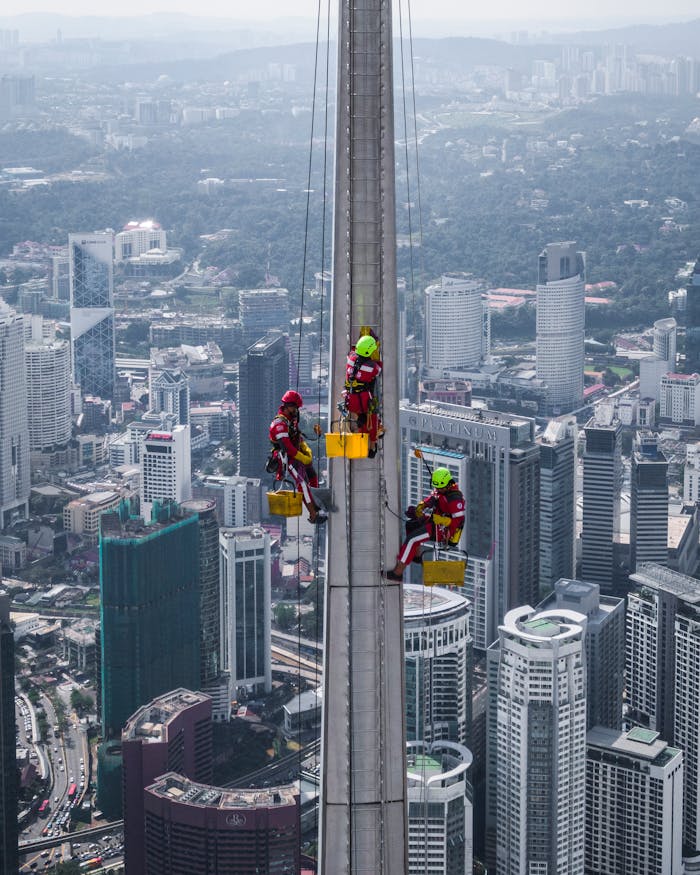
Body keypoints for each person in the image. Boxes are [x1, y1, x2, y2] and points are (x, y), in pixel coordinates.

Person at [385, 467, 465, 580]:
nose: (438, 489)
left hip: (444, 531)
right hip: (435, 522)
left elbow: (458, 521)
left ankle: (398, 572)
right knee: (411, 524)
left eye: (440, 487)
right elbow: (434, 497)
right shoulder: (443, 490)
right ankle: (416, 556)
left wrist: (444, 521)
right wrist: (423, 505)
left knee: (412, 539)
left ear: (447, 485)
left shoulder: (455, 499)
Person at [269, 390, 327, 525]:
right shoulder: (279, 424)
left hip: (296, 453)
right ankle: (313, 514)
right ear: (287, 406)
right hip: (287, 458)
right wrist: (301, 456)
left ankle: (316, 501)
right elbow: (287, 447)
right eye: (295, 407)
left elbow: (296, 436)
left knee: (312, 474)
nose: (297, 410)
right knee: (301, 483)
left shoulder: (291, 419)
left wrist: (304, 447)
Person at [343, 333, 383, 457]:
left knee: (358, 418)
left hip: (350, 400)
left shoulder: (351, 358)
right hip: (363, 401)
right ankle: (372, 447)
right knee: (373, 418)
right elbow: (379, 370)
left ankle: (359, 422)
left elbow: (352, 352)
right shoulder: (371, 367)